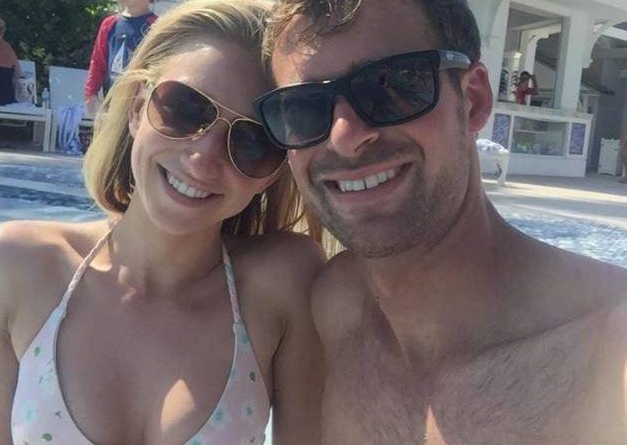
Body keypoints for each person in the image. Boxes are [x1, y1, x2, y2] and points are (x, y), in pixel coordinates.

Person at [256, 0, 627, 444]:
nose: (345, 137)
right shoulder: (327, 311)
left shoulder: (609, 350)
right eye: (301, 108)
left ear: (474, 100)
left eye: (392, 85)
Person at [0, 1, 323, 444]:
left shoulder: (283, 284)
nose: (203, 157)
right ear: (138, 107)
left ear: (275, 171)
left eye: (253, 141)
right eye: (185, 109)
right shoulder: (13, 265)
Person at [84, 0, 158, 114]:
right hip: (112, 105)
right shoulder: (110, 24)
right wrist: (91, 94)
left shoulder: (156, 26)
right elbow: (98, 62)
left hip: (142, 108)